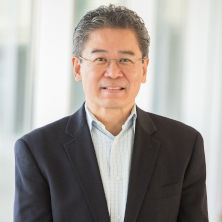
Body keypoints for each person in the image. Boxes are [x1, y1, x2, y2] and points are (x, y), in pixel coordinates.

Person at [14, 4, 208, 222]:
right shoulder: (37, 150)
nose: (114, 72)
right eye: (100, 59)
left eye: (125, 59)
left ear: (144, 69)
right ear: (78, 68)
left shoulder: (184, 145)